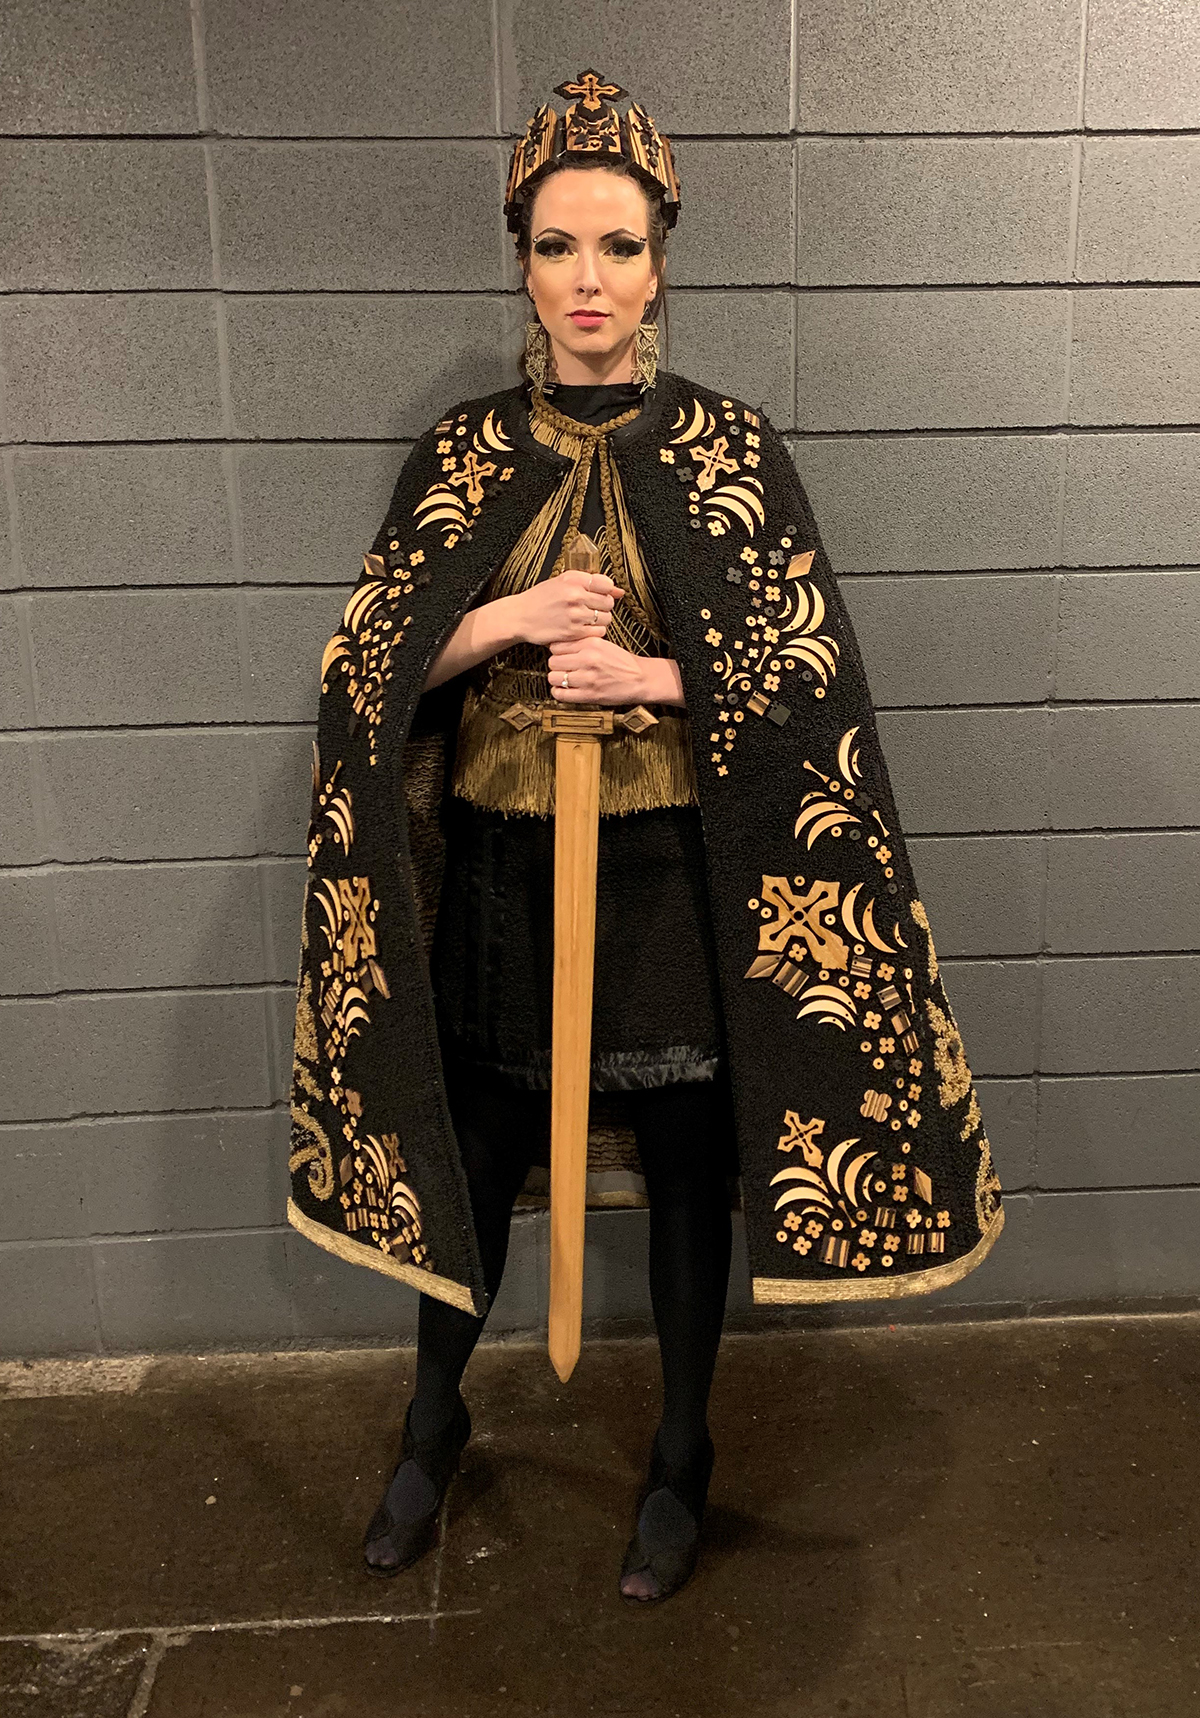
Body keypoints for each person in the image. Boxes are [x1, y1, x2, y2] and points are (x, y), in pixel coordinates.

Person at [286, 71, 1005, 1606]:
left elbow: (814, 677)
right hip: (497, 862)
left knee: (687, 1158)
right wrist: (503, 622)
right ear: (521, 258)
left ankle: (681, 1456)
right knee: (473, 1149)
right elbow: (365, 666)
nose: (588, 282)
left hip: (672, 875)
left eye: (616, 246)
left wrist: (654, 674)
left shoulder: (733, 450)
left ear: (662, 256)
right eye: (558, 247)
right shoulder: (465, 449)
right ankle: (429, 1423)